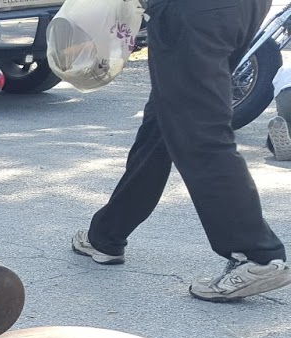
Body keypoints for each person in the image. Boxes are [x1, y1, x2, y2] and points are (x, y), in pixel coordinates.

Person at [73, 0, 288, 302]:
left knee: (200, 129)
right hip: (243, 7)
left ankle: (257, 254)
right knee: (165, 116)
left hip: (192, 11)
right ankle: (107, 234)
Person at [267, 61, 291, 162]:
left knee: (286, 124)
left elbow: (276, 88)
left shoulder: (286, 66)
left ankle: (274, 145)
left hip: (284, 94)